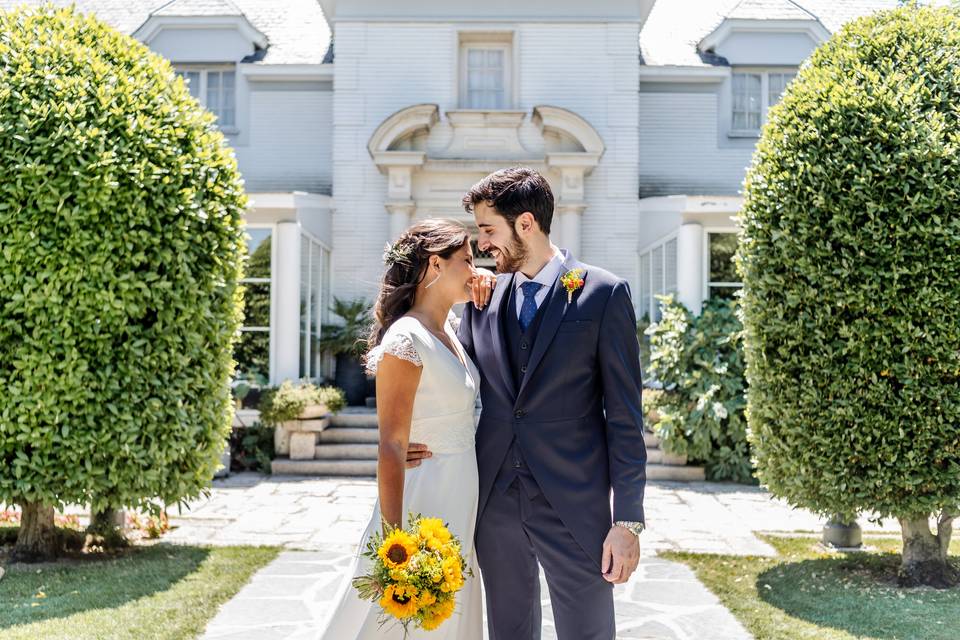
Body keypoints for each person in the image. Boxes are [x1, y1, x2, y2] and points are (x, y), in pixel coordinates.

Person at [408, 167, 647, 640]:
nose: (482, 246)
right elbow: (451, 376)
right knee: (508, 632)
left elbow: (624, 417)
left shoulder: (602, 294)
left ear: (525, 225)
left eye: (488, 230)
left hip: (574, 504)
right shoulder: (483, 298)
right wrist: (409, 434)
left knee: (588, 632)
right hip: (495, 498)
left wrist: (628, 520)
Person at [318, 219, 485, 640]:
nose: (475, 271)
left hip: (459, 498)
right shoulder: (406, 338)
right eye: (467, 261)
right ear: (435, 265)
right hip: (422, 500)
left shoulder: (449, 330)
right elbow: (391, 445)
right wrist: (396, 545)